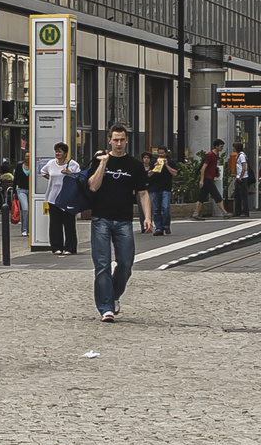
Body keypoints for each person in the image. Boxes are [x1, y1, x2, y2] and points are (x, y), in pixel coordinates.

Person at [86, 124, 152, 322]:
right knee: (102, 264)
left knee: (125, 263)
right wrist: (103, 164)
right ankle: (106, 307)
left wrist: (148, 217)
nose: (119, 143)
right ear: (109, 140)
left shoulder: (135, 165)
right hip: (101, 219)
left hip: (124, 220)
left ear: (127, 140)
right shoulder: (99, 160)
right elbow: (93, 186)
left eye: (122, 139)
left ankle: (113, 296)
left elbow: (143, 193)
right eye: (115, 140)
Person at [42, 143, 81, 255]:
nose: (57, 154)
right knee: (55, 223)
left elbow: (79, 177)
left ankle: (70, 247)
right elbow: (43, 172)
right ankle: (56, 247)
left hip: (68, 197)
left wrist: (70, 173)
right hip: (53, 197)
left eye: (59, 151)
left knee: (69, 223)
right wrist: (51, 180)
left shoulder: (73, 164)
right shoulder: (51, 163)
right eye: (56, 151)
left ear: (65, 153)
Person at [147, 150, 176, 236]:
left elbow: (175, 173)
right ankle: (159, 228)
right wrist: (154, 168)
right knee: (156, 209)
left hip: (166, 188)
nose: (161, 155)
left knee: (165, 207)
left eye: (162, 153)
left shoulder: (170, 161)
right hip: (156, 188)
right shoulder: (154, 161)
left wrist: (166, 165)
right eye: (159, 153)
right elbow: (149, 174)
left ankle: (166, 225)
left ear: (166, 153)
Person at [195, 141, 226, 219]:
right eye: (221, 146)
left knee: (201, 197)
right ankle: (224, 213)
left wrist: (216, 172)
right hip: (207, 179)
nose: (222, 148)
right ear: (216, 146)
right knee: (217, 195)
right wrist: (202, 180)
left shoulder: (216, 155)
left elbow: (213, 166)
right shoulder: (210, 155)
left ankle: (195, 214)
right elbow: (203, 167)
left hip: (210, 178)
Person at [13, 154, 32, 237]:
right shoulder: (19, 166)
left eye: (30, 156)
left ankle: (29, 229)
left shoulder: (34, 166)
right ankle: (24, 229)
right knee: (25, 209)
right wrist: (14, 191)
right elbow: (15, 179)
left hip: (32, 191)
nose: (28, 157)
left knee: (31, 211)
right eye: (27, 156)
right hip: (21, 190)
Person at [232, 147, 252, 218]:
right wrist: (237, 177)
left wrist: (241, 176)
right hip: (239, 177)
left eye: (234, 147)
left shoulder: (242, 156)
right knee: (237, 195)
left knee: (243, 195)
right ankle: (237, 211)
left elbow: (244, 167)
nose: (233, 149)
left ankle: (245, 211)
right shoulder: (238, 155)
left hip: (243, 178)